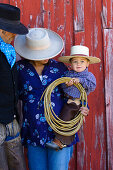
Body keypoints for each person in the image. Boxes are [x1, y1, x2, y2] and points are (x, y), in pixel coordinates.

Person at [14, 28, 89, 170]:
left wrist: (83, 107)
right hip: (34, 131)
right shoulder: (20, 69)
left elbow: (74, 91)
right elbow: (12, 94)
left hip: (60, 132)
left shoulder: (59, 68)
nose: (47, 56)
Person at [46, 45, 101, 150]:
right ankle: (61, 141)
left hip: (77, 103)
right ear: (71, 63)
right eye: (75, 62)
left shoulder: (88, 76)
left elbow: (92, 85)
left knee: (66, 118)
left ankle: (59, 141)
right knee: (63, 119)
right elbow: (61, 85)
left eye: (82, 61)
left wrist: (79, 81)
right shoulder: (68, 74)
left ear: (87, 63)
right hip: (68, 101)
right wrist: (66, 83)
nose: (78, 64)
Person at [0, 3, 28, 170]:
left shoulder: (8, 51)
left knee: (18, 164)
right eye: (12, 31)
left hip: (11, 118)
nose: (14, 36)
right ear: (2, 30)